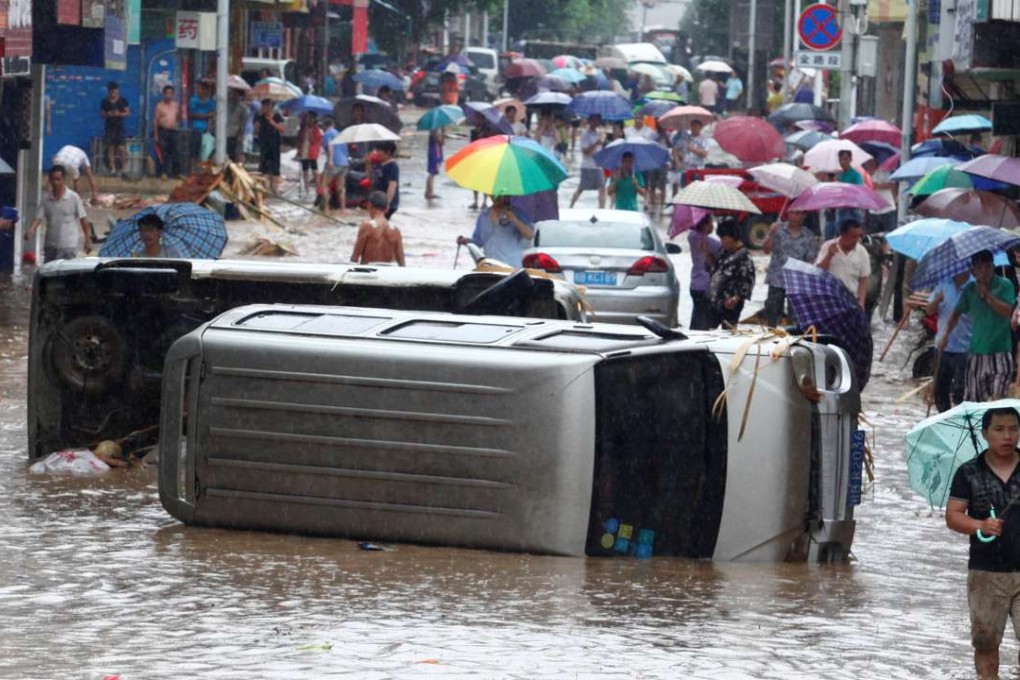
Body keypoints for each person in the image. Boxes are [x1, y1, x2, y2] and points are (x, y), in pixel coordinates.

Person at [945, 406, 1020, 680]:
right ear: (985, 433)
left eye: (1013, 429)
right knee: (986, 642)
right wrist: (980, 525)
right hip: (986, 573)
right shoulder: (968, 473)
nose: (1007, 436)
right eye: (999, 429)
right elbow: (953, 516)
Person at [939, 250, 1017, 403]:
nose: (984, 271)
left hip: (1000, 352)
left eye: (987, 267)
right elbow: (956, 314)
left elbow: (1007, 311)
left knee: (997, 401)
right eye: (979, 268)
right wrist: (945, 336)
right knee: (974, 402)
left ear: (993, 267)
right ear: (973, 271)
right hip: (976, 354)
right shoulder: (969, 290)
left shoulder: (1005, 285)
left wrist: (986, 295)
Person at [762, 209, 819, 327]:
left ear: (804, 215)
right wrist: (771, 233)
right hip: (777, 279)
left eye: (799, 213)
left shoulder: (808, 235)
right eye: (793, 212)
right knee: (772, 314)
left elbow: (811, 260)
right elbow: (766, 249)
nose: (795, 216)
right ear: (788, 213)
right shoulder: (777, 229)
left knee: (796, 318)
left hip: (797, 281)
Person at [23, 165, 92, 262]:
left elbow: (83, 219)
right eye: (53, 179)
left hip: (68, 246)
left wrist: (88, 240)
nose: (56, 182)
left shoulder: (73, 197)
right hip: (50, 245)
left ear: (64, 179)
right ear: (50, 180)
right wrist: (31, 230)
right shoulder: (46, 199)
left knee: (67, 274)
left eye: (58, 179)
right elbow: (38, 218)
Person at [927, 271, 973, 412]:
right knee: (940, 391)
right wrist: (937, 301)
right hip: (942, 345)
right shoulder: (943, 284)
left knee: (961, 392)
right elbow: (929, 311)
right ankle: (944, 419)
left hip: (965, 347)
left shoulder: (974, 286)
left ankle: (960, 423)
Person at [456, 194, 534, 266]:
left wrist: (514, 219)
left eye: (500, 194)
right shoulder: (484, 215)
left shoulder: (517, 213)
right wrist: (465, 241)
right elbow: (478, 241)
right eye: (493, 194)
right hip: (491, 266)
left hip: (511, 266)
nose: (496, 197)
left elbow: (529, 235)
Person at [709, 218, 755, 329]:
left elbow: (748, 282)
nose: (722, 241)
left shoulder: (744, 258)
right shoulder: (724, 252)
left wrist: (736, 298)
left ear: (733, 237)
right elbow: (716, 270)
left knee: (727, 334)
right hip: (716, 301)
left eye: (724, 238)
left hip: (730, 305)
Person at [815, 218, 871, 309]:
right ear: (843, 234)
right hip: (829, 298)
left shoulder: (862, 252)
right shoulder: (827, 246)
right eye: (853, 236)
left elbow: (863, 279)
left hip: (851, 299)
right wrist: (829, 255)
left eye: (859, 236)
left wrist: (861, 302)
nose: (856, 240)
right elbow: (819, 272)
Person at [351, 191, 405, 266]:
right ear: (387, 208)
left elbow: (354, 258)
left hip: (369, 272)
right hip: (388, 272)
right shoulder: (396, 230)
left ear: (369, 206)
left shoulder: (366, 226)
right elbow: (401, 262)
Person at [688, 214, 721, 331]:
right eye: (711, 223)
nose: (713, 226)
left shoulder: (692, 237)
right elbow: (721, 256)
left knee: (696, 316)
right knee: (703, 322)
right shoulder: (713, 243)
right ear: (705, 225)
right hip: (706, 286)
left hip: (694, 284)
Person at [569, 114, 606, 209]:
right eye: (594, 121)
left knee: (602, 188)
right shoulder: (585, 134)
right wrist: (596, 143)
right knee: (581, 188)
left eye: (597, 121)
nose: (596, 123)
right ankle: (571, 206)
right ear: (589, 121)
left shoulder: (598, 133)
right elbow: (585, 151)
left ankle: (602, 209)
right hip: (588, 166)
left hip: (598, 166)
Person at [99, 81, 130, 175]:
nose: (113, 93)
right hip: (109, 127)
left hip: (119, 127)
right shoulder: (105, 101)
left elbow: (127, 113)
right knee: (110, 148)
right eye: (111, 92)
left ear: (117, 91)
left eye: (114, 92)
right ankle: (112, 169)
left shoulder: (123, 100)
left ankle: (123, 168)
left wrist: (119, 114)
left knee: (121, 148)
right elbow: (102, 114)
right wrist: (108, 114)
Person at [254, 98, 285, 193]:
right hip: (264, 144)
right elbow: (256, 131)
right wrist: (257, 127)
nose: (264, 109)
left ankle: (275, 187)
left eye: (266, 106)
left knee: (275, 166)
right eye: (263, 106)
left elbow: (282, 129)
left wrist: (272, 122)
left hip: (274, 144)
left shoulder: (277, 116)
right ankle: (265, 186)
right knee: (264, 166)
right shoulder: (259, 117)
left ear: (270, 107)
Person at [321, 118, 348, 215]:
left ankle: (326, 209)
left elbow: (330, 146)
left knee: (324, 185)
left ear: (325, 126)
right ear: (333, 124)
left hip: (334, 162)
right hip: (344, 163)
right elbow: (345, 149)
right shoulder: (339, 133)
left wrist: (330, 160)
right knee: (340, 188)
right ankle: (343, 209)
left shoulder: (327, 133)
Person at [153, 85, 180, 179]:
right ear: (164, 94)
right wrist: (156, 135)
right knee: (164, 153)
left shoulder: (175, 105)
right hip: (163, 131)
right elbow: (156, 121)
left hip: (174, 131)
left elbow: (178, 117)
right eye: (167, 93)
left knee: (175, 152)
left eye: (170, 93)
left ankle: (175, 173)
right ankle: (164, 172)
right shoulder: (159, 106)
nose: (168, 95)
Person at [296, 112, 323, 200]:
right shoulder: (303, 129)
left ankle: (318, 190)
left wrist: (310, 133)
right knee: (305, 172)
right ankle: (306, 191)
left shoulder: (317, 130)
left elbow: (314, 140)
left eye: (311, 118)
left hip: (312, 153)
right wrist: (298, 151)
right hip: (304, 151)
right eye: (308, 118)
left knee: (315, 171)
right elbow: (299, 140)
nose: (309, 120)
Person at [370, 140, 400, 219]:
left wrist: (387, 202)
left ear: (388, 152)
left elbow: (392, 185)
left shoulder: (393, 166)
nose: (376, 153)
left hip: (386, 203)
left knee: (380, 222)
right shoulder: (379, 164)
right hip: (378, 200)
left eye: (379, 151)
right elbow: (370, 177)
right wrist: (367, 164)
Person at [188, 81, 215, 158]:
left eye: (200, 88)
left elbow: (212, 115)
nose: (198, 90)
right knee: (194, 153)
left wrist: (209, 129)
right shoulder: (194, 100)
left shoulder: (210, 102)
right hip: (195, 129)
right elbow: (191, 114)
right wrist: (206, 115)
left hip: (206, 131)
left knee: (205, 153)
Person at [225, 88, 249, 163]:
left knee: (233, 155)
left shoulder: (242, 107)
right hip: (224, 133)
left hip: (235, 134)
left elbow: (244, 121)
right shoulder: (226, 104)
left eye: (235, 94)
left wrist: (241, 134)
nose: (233, 95)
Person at [425, 126, 443, 201]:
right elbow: (440, 141)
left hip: (433, 151)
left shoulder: (433, 129)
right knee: (432, 173)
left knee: (431, 172)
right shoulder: (436, 129)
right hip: (435, 152)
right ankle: (430, 192)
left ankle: (428, 191)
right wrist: (443, 134)